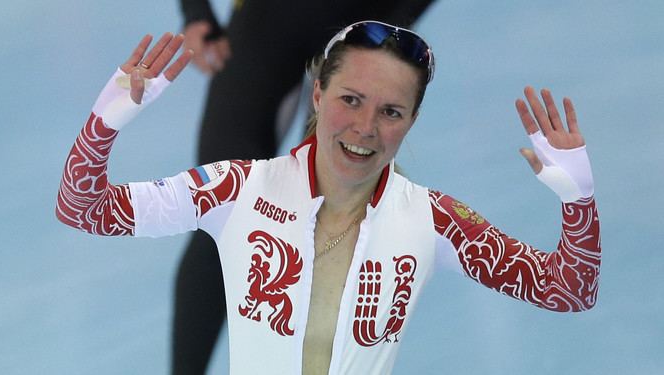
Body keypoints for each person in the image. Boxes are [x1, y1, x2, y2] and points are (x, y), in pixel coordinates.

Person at [56, 21, 601, 374]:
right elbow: (82, 208)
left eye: (391, 112)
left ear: (411, 122)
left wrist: (579, 201)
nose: (365, 128)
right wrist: (106, 121)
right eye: (351, 99)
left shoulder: (434, 221)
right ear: (317, 93)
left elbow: (568, 290)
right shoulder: (236, 191)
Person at [178, 2, 436, 371]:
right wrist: (196, 13)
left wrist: (393, 23)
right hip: (269, 22)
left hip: (364, 21)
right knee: (218, 209)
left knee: (327, 216)